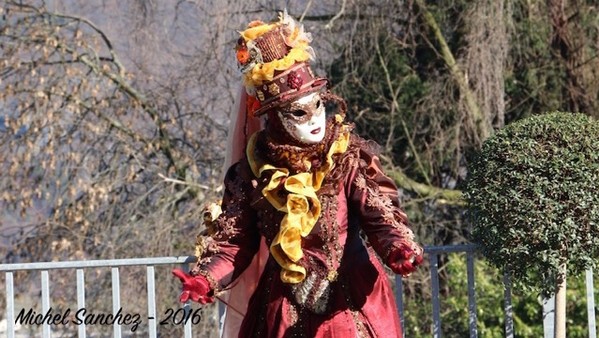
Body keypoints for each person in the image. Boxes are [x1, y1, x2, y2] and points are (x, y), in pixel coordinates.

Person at [172, 11, 423, 337]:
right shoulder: (253, 173)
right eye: (299, 112)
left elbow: (379, 214)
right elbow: (234, 243)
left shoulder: (344, 158)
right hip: (284, 310)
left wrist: (397, 247)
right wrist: (205, 278)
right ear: (274, 117)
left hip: (353, 304)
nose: (315, 118)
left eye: (318, 105)